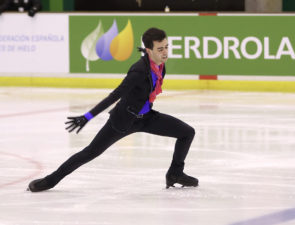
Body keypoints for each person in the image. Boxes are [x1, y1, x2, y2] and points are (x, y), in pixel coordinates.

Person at [28, 27, 198, 192]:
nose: (165, 52)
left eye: (167, 47)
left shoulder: (160, 66)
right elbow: (114, 95)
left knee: (187, 132)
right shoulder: (139, 71)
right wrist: (87, 117)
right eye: (160, 49)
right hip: (123, 121)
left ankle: (175, 174)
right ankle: (50, 181)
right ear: (148, 50)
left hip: (146, 118)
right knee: (89, 153)